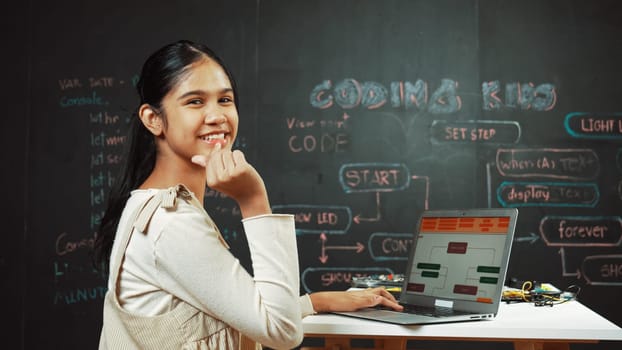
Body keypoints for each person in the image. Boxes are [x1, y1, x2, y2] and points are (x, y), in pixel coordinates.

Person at [93, 40, 401, 350]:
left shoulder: (151, 204)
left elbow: (245, 317)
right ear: (153, 119)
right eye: (195, 102)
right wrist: (254, 200)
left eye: (225, 99)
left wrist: (314, 302)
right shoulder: (170, 222)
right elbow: (282, 333)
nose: (217, 116)